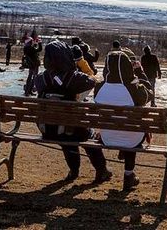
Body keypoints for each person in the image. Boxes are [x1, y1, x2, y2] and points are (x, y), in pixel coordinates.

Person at [35, 40, 111, 184]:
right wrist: (81, 64)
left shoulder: (41, 79)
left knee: (68, 136)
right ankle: (102, 171)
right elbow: (94, 80)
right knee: (88, 136)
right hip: (71, 129)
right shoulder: (74, 78)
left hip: (49, 129)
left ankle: (74, 171)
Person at [94, 47, 153, 191]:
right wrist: (139, 72)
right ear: (127, 67)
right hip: (132, 138)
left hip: (107, 136)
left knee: (124, 127)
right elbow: (149, 93)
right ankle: (128, 175)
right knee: (130, 131)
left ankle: (118, 164)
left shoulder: (99, 87)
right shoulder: (132, 89)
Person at [23, 30, 42, 96]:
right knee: (34, 78)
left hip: (31, 64)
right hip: (34, 64)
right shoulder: (31, 48)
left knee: (30, 77)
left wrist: (35, 44)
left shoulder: (26, 48)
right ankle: (28, 91)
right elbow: (39, 49)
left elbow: (34, 49)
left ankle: (28, 91)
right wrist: (39, 43)